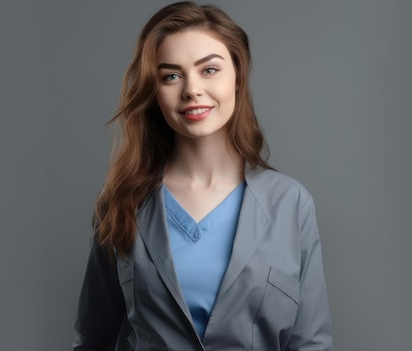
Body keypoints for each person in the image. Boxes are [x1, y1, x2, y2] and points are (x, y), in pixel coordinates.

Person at [72, 2, 333, 350]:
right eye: (171, 76)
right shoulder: (120, 202)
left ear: (237, 77)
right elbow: (94, 339)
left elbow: (311, 343)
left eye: (209, 70)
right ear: (155, 92)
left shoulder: (290, 203)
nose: (192, 89)